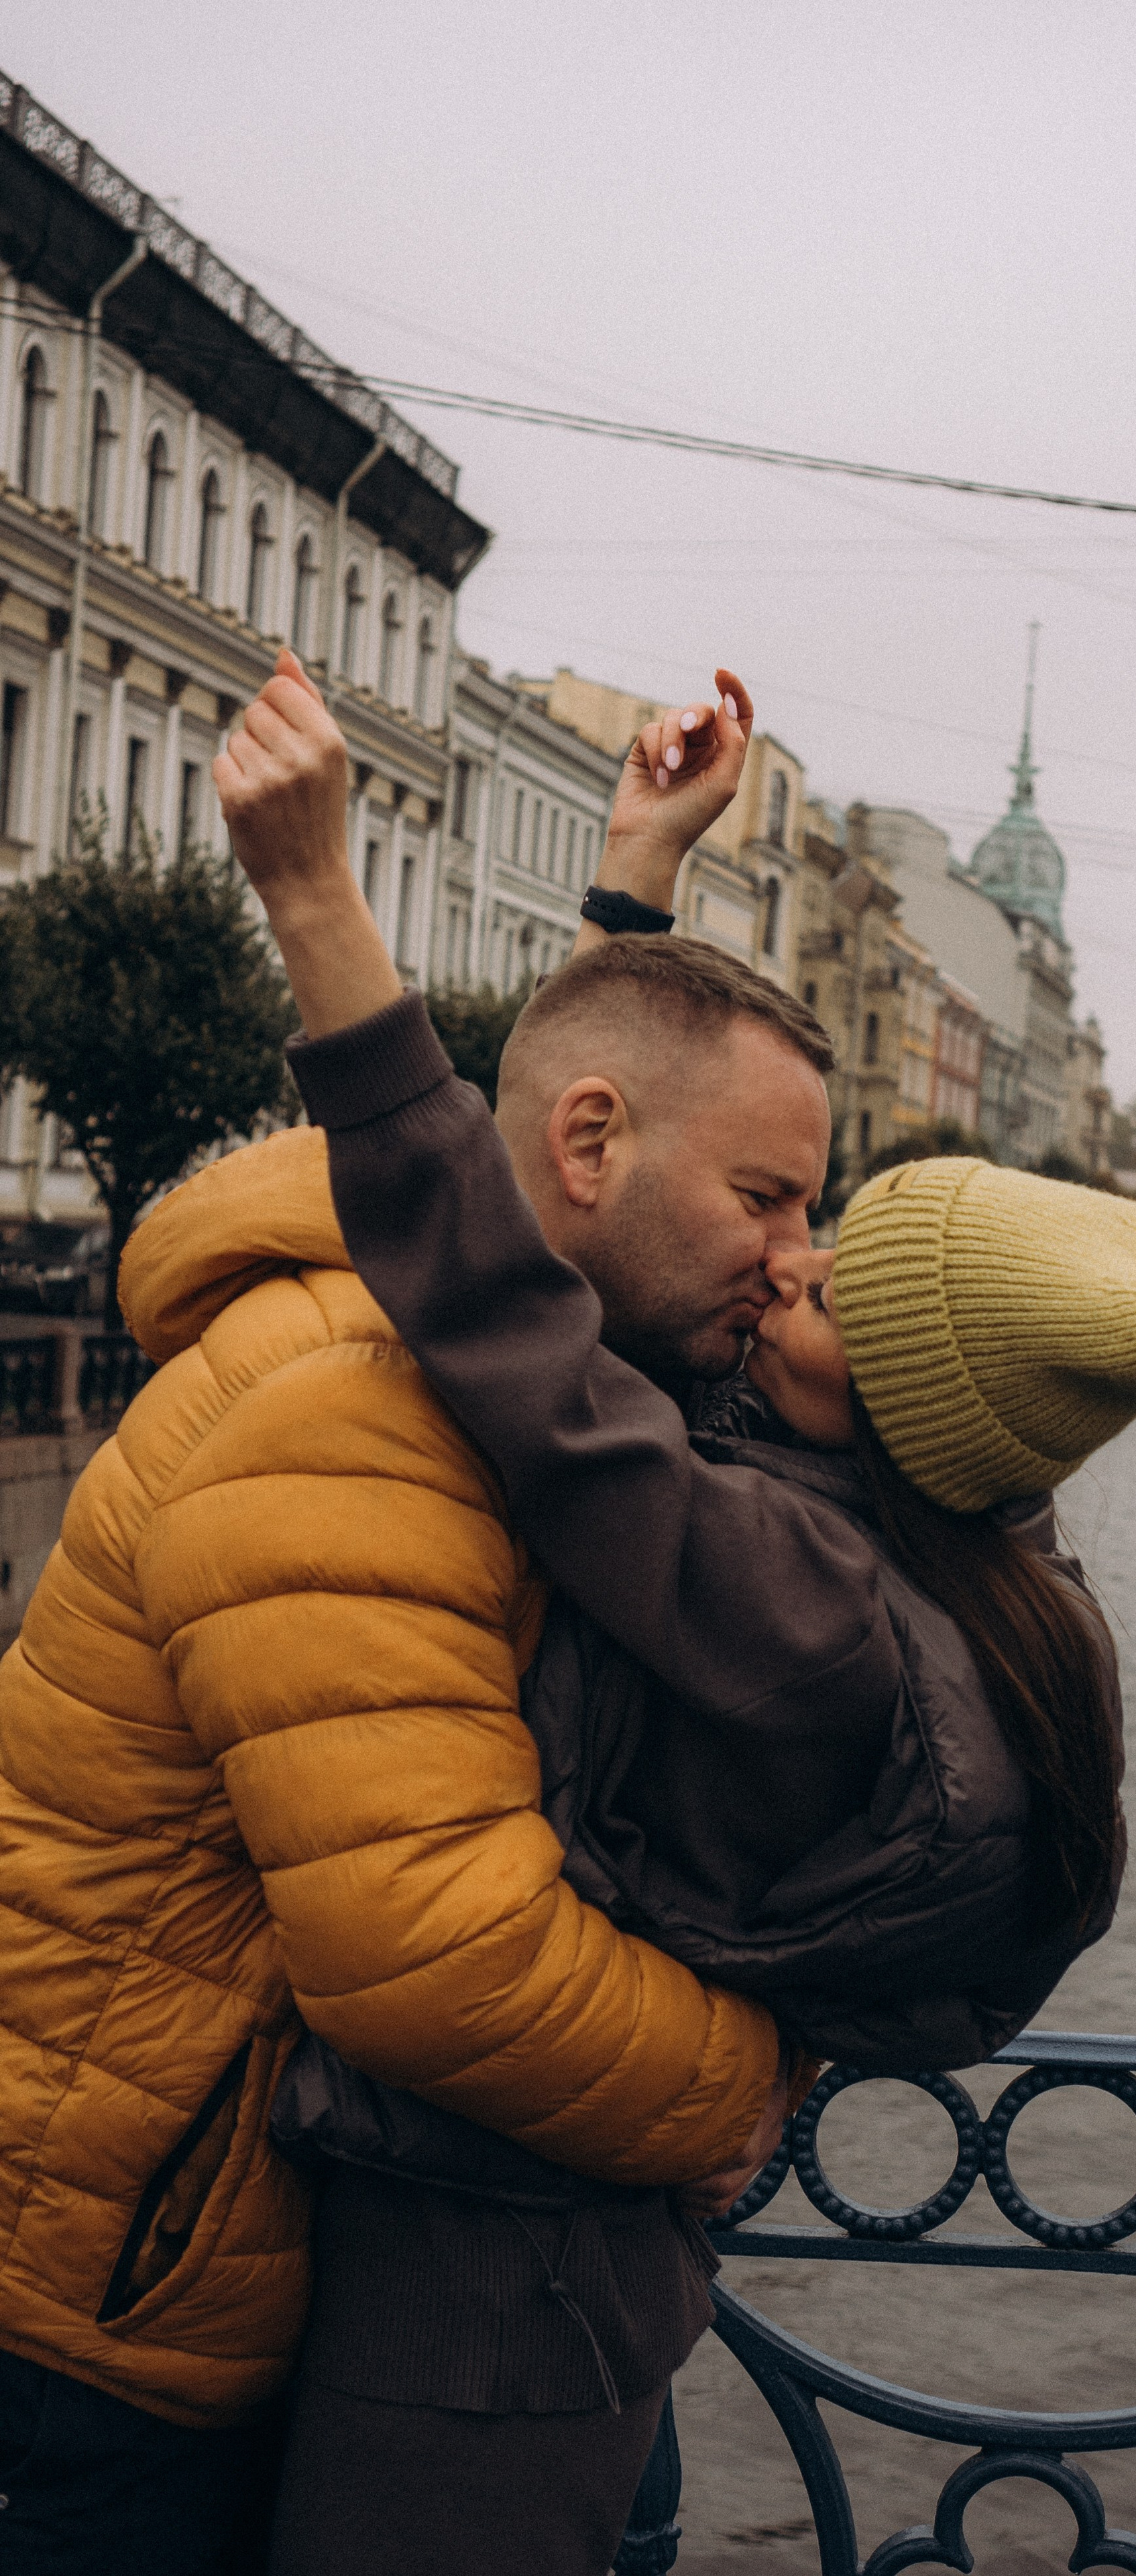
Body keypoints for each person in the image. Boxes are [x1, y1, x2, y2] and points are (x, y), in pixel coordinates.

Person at [211, 651, 1136, 2573]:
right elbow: (603, 1213)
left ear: (909, 1408)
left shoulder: (803, 1606)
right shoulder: (914, 1546)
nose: (781, 1275)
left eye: (832, 1282)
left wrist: (320, 915)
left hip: (488, 2305)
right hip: (562, 2268)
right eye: (795, 1222)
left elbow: (527, 1336)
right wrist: (637, 889)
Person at [0, 680, 815, 2571]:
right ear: (595, 1155)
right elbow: (433, 1955)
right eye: (769, 1196)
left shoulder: (450, 1323)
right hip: (89, 2307)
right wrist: (738, 2085)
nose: (795, 1257)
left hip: (171, 2239)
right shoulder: (358, 1403)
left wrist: (633, 890)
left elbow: (540, 1149)